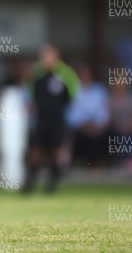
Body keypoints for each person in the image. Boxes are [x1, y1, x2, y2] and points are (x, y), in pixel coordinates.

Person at [23, 44, 80, 194]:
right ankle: (29, 184)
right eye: (44, 57)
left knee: (56, 151)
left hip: (58, 119)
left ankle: (51, 186)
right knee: (35, 151)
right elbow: (28, 91)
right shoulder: (36, 72)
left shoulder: (65, 73)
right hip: (41, 119)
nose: (46, 60)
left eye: (49, 57)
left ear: (56, 57)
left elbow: (74, 93)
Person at [66, 64, 110, 167]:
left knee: (103, 136)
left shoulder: (100, 90)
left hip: (98, 127)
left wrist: (98, 125)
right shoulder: (73, 90)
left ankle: (98, 164)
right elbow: (71, 114)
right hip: (80, 127)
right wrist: (83, 124)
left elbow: (104, 111)